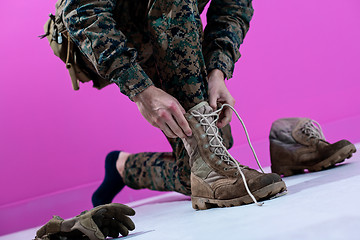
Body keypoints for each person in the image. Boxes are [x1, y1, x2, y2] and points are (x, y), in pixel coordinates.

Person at [62, 0, 287, 210]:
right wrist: (140, 89)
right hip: (109, 32)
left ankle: (122, 167)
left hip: (173, 29)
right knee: (205, 163)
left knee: (195, 172)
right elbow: (83, 12)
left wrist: (217, 70)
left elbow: (234, 6)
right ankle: (209, 166)